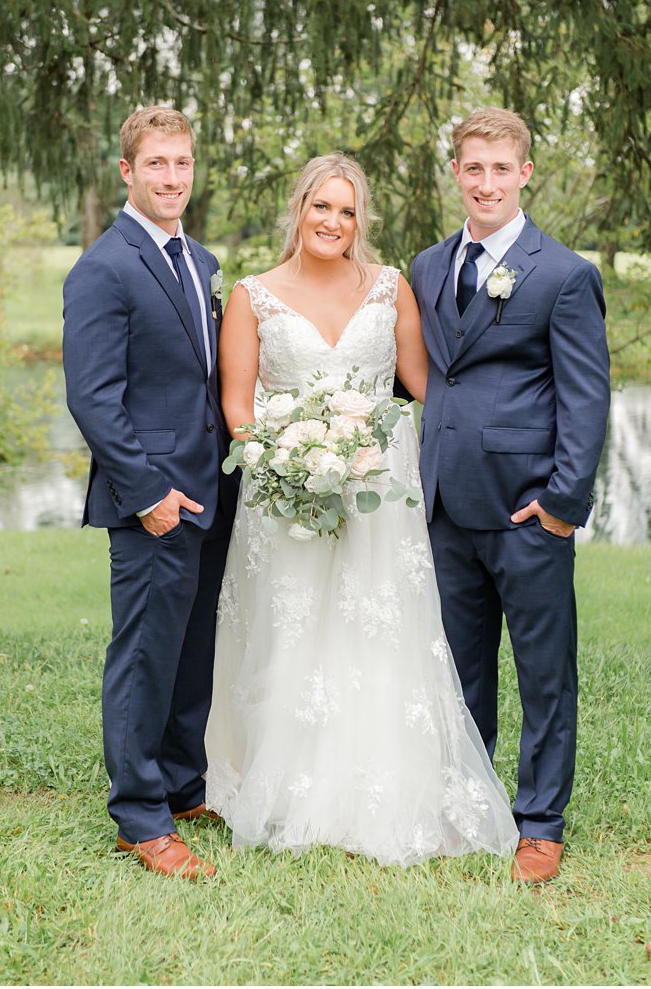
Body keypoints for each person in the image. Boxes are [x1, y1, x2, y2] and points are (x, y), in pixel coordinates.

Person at [205, 153, 519, 867]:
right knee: (293, 632)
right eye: (322, 207)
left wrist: (492, 440)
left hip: (381, 489)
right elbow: (237, 403)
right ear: (300, 208)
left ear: (360, 220)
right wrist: (283, 463)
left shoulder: (390, 288)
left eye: (347, 211)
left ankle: (388, 781)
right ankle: (282, 785)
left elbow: (422, 385)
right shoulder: (255, 295)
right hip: (287, 488)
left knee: (376, 627)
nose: (334, 223)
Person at [410, 108, 609, 884]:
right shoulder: (428, 267)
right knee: (459, 673)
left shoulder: (562, 273)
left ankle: (540, 823)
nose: (485, 182)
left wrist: (563, 502)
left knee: (544, 671)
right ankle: (468, 806)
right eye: (473, 168)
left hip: (529, 508)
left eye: (501, 168)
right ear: (455, 173)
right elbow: (429, 373)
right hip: (446, 510)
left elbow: (586, 399)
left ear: (525, 173)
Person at [62, 106, 238, 879]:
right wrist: (148, 493)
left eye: (182, 164)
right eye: (157, 164)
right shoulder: (103, 268)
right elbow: (95, 398)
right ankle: (139, 814)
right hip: (154, 500)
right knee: (143, 652)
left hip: (212, 491)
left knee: (194, 649)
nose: (172, 178)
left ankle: (179, 785)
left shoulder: (198, 262)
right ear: (127, 171)